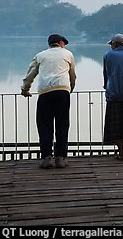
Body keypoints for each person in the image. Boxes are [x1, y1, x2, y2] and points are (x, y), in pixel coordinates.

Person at [21, 34, 77, 169]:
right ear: (60, 42)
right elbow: (72, 75)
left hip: (45, 93)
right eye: (64, 43)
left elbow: (30, 74)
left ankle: (47, 158)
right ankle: (61, 158)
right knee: (62, 125)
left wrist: (25, 89)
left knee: (45, 126)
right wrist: (70, 89)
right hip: (63, 91)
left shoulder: (40, 56)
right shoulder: (68, 54)